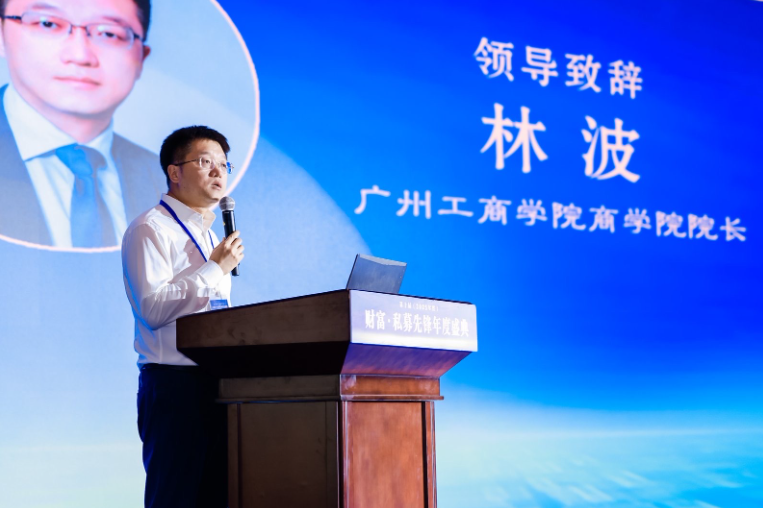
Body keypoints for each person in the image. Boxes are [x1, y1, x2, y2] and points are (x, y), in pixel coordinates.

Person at [122, 125, 244, 508]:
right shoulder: (150, 228)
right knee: (175, 497)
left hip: (218, 383)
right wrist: (214, 269)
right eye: (206, 162)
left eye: (224, 164)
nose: (218, 172)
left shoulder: (209, 235)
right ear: (174, 172)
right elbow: (152, 308)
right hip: (174, 386)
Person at [0, 0, 165, 248]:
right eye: (47, 23)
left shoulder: (168, 183)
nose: (80, 56)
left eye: (109, 33)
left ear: (142, 57)